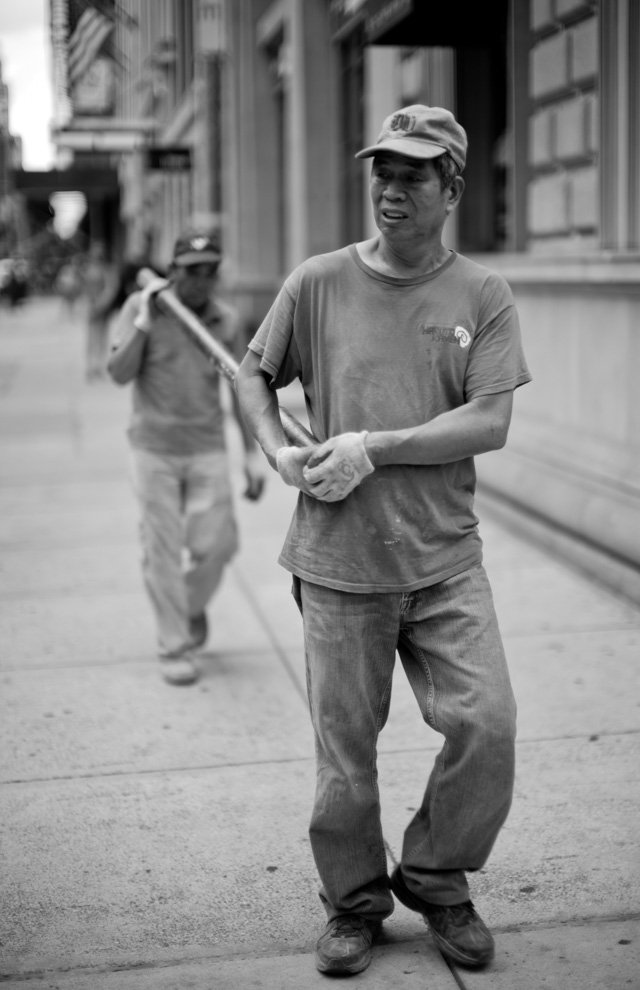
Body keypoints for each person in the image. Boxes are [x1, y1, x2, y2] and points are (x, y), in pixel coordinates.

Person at [235, 105, 532, 976]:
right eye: (382, 171)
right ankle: (355, 904)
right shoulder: (318, 280)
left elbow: (490, 421)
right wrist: (279, 450)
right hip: (339, 566)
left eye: (412, 174)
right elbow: (256, 375)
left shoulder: (484, 295)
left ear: (452, 187)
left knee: (489, 724)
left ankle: (437, 877)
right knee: (345, 757)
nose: (390, 188)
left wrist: (378, 447)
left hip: (443, 562)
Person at [108, 230, 265, 686]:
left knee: (217, 546)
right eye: (192, 270)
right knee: (161, 551)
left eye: (210, 270)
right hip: (153, 449)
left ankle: (188, 606)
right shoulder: (142, 308)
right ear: (173, 271)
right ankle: (174, 644)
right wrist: (142, 316)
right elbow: (118, 374)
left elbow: (242, 388)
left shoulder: (226, 319)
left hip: (206, 447)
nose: (201, 280)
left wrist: (252, 458)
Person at [83, 242, 118, 380]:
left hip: (101, 309)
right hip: (93, 309)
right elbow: (85, 290)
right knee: (92, 339)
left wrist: (100, 304)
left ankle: (98, 366)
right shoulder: (89, 270)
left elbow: (110, 289)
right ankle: (91, 366)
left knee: (101, 338)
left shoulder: (106, 270)